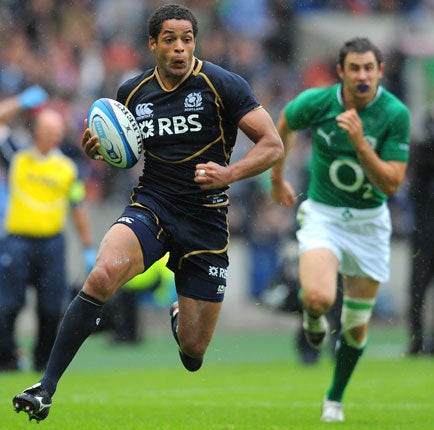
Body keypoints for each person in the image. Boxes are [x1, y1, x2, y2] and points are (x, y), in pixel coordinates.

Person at [12, 3, 283, 422]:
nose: (180, 49)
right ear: (153, 43)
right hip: (152, 205)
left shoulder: (222, 84)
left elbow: (272, 145)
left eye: (187, 39)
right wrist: (98, 151)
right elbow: (123, 154)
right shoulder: (131, 94)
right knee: (102, 275)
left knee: (193, 352)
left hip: (206, 221)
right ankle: (45, 387)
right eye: (170, 40)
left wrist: (229, 172)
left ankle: (180, 318)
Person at [270, 37, 410, 422]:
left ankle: (334, 397)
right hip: (324, 215)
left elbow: (392, 184)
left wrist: (361, 144)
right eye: (355, 68)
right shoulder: (319, 102)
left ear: (380, 72)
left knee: (354, 328)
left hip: (369, 224)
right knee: (317, 297)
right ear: (341, 72)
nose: (362, 75)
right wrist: (277, 177)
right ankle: (312, 320)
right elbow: (284, 122)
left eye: (369, 68)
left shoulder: (395, 114)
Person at [0, 103, 96, 373]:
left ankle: (43, 362)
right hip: (16, 242)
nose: (54, 134)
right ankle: (6, 360)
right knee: (6, 307)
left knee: (51, 309)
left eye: (58, 129)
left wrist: (88, 246)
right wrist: (21, 102)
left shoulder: (68, 168)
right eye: (48, 128)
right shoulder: (16, 157)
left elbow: (78, 208)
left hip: (52, 244)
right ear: (36, 131)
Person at [406, 107, 434, 355]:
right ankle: (416, 340)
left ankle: (420, 341)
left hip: (424, 230)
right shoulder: (423, 147)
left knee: (418, 288)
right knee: (417, 289)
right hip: (425, 231)